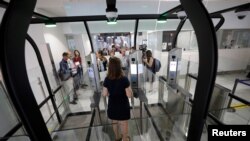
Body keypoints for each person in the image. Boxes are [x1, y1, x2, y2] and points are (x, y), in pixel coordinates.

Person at [102, 57, 132, 141]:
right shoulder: (124, 79)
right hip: (123, 105)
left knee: (114, 122)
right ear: (119, 67)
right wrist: (131, 90)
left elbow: (104, 94)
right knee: (123, 123)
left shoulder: (107, 79)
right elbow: (129, 95)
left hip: (112, 105)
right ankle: (125, 139)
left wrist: (109, 93)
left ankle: (117, 137)